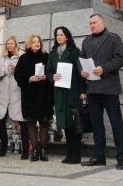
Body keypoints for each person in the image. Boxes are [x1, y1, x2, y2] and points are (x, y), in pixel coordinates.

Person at [80, 14, 123, 170]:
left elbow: (121, 58)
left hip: (109, 88)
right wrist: (82, 71)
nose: (92, 25)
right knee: (96, 125)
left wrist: (104, 68)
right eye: (90, 23)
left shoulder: (114, 38)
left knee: (116, 124)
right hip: (93, 89)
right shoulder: (86, 41)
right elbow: (80, 60)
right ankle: (99, 157)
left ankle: (122, 159)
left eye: (94, 22)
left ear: (102, 23)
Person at [47, 26, 85, 164]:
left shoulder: (75, 52)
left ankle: (76, 155)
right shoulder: (52, 54)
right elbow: (48, 71)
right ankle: (69, 154)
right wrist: (52, 77)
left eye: (61, 35)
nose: (59, 37)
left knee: (75, 124)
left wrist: (83, 91)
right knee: (65, 124)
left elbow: (81, 73)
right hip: (59, 93)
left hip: (72, 92)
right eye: (57, 35)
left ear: (67, 37)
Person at [14, 34, 54, 162]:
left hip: (44, 94)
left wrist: (47, 77)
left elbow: (52, 72)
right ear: (29, 44)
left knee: (44, 122)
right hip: (29, 95)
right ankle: (35, 151)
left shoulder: (47, 57)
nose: (36, 44)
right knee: (31, 122)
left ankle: (43, 150)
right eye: (34, 42)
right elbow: (18, 76)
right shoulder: (24, 58)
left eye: (38, 42)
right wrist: (29, 79)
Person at [0, 36, 28, 158]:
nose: (9, 46)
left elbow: (24, 73)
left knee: (21, 120)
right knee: (0, 119)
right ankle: (3, 145)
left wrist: (16, 68)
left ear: (16, 45)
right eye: (8, 44)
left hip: (16, 91)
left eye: (11, 43)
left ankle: (25, 149)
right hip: (3, 92)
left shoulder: (21, 57)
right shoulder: (1, 59)